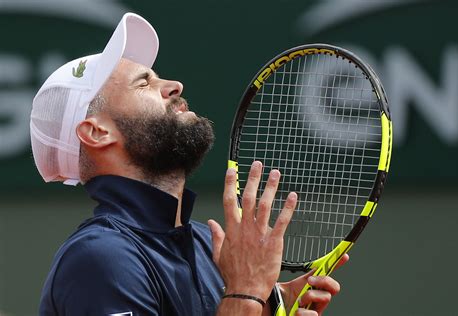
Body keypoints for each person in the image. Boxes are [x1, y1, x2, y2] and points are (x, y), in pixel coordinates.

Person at [31, 12, 348, 316]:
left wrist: (270, 308)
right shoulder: (99, 258)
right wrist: (246, 292)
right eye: (144, 83)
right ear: (98, 132)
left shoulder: (206, 244)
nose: (174, 85)